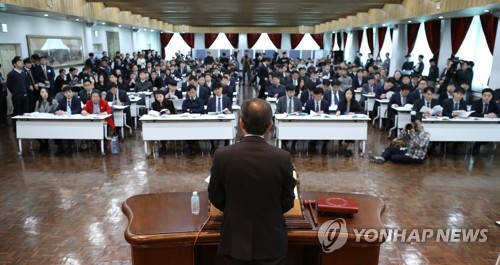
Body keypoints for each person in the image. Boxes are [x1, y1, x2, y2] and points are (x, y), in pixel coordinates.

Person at [208, 98, 296, 265]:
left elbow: (216, 196)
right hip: (271, 242)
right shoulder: (282, 157)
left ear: (241, 123)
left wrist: (234, 207)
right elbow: (287, 201)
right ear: (270, 125)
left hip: (235, 240)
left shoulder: (223, 155)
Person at [336, 89, 365, 157]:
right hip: (342, 122)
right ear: (345, 94)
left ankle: (349, 148)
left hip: (352, 122)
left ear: (353, 95)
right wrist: (338, 111)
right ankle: (348, 146)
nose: (348, 95)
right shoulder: (341, 102)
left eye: (350, 94)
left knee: (352, 129)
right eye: (347, 93)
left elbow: (363, 111)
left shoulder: (355, 102)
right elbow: (338, 109)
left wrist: (354, 113)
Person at [54, 87, 82, 155]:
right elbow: (56, 110)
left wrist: (65, 112)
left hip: (74, 122)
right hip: (63, 122)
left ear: (72, 93)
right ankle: (59, 147)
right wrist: (58, 112)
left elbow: (78, 110)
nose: (68, 94)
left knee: (70, 129)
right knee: (56, 129)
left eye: (69, 92)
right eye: (66, 92)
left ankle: (69, 147)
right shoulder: (62, 100)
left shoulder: (77, 100)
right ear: (64, 94)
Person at [207, 82, 233, 154]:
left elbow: (231, 110)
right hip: (213, 120)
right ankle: (212, 146)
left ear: (221, 89)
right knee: (210, 128)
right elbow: (208, 111)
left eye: (218, 89)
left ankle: (226, 144)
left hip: (224, 119)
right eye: (215, 90)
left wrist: (228, 112)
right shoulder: (210, 100)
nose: (217, 91)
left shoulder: (227, 99)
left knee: (227, 126)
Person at [275, 85, 302, 153]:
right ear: (286, 92)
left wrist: (297, 113)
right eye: (290, 92)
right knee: (284, 128)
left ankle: (293, 144)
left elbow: (301, 110)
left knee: (297, 129)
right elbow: (277, 111)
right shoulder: (281, 100)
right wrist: (282, 115)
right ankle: (284, 144)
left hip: (294, 120)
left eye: (293, 92)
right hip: (284, 119)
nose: (292, 94)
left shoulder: (297, 100)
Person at [7, 56, 30, 132]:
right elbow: (9, 85)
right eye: (19, 62)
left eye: (22, 62)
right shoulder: (11, 74)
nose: (21, 63)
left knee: (25, 111)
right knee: (17, 112)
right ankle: (16, 128)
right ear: (14, 64)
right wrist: (15, 92)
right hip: (17, 96)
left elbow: (25, 83)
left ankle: (26, 126)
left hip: (25, 94)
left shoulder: (23, 72)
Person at [151, 90, 176, 155]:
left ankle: (163, 145)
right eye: (157, 97)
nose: (159, 98)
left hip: (169, 122)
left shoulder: (169, 102)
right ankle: (163, 145)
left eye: (160, 96)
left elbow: (174, 113)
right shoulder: (154, 104)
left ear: (164, 96)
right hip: (159, 122)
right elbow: (154, 113)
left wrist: (169, 113)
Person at [182, 85, 205, 155]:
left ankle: (191, 146)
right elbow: (183, 109)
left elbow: (201, 110)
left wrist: (191, 110)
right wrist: (195, 110)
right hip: (187, 121)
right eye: (190, 92)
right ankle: (190, 146)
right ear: (188, 93)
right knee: (185, 131)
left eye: (193, 92)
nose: (192, 94)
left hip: (198, 121)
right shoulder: (185, 101)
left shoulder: (200, 100)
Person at [34, 88, 58, 152]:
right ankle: (42, 143)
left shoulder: (54, 101)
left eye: (45, 92)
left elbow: (57, 112)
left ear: (48, 93)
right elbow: (36, 112)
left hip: (51, 122)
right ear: (40, 94)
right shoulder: (38, 102)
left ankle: (45, 143)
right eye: (42, 92)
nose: (44, 94)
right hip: (40, 122)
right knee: (33, 130)